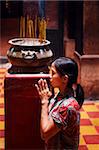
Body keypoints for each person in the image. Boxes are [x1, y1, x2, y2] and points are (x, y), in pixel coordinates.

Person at [35, 57, 84, 150]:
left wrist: (44, 102)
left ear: (64, 79)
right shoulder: (60, 94)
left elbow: (45, 134)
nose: (50, 76)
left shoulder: (67, 106)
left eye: (53, 73)